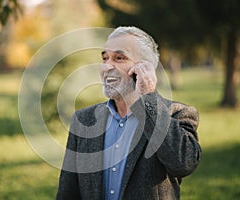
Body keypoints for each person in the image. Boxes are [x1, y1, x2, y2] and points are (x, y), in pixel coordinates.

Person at [56, 26, 201, 200]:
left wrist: (148, 96)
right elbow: (68, 192)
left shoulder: (177, 114)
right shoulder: (84, 120)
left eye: (119, 58)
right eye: (104, 58)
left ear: (144, 68)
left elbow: (184, 164)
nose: (107, 66)